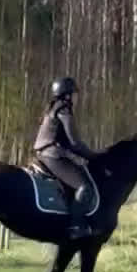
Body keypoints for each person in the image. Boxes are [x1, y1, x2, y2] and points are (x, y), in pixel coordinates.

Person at [34, 77, 96, 237]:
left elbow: (67, 143)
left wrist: (80, 156)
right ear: (67, 95)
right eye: (75, 93)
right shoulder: (64, 110)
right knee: (85, 187)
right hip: (52, 155)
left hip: (46, 154)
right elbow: (74, 142)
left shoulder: (55, 107)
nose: (77, 97)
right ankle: (76, 227)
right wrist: (94, 156)